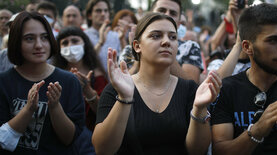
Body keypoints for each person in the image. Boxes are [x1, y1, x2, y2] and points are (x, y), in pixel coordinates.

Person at [92, 12, 221, 155]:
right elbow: (102, 150)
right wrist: (124, 99)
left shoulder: (190, 90)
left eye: (173, 37)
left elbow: (197, 150)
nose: (166, 42)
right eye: (156, 36)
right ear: (137, 46)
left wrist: (199, 108)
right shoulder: (115, 90)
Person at [211, 3, 277, 154]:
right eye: (273, 40)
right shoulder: (228, 89)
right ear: (247, 47)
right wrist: (256, 130)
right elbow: (220, 151)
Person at [0, 11, 85, 154]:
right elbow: (3, 140)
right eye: (29, 39)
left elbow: (69, 138)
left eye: (44, 37)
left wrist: (55, 107)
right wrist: (28, 109)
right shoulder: (4, 82)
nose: (39, 45)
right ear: (16, 42)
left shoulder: (69, 81)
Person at [119, 0, 204, 83]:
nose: (166, 15)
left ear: (178, 23)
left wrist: (168, 52)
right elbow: (121, 86)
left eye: (173, 13)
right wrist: (140, 53)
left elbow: (193, 89)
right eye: (161, 10)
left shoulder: (190, 47)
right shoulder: (130, 49)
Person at [53, 26, 108, 131]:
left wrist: (87, 90)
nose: (70, 46)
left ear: (85, 44)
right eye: (65, 43)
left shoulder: (97, 75)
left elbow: (105, 112)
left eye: (75, 41)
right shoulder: (55, 75)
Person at [84, 0, 121, 74]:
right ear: (89, 15)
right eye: (98, 11)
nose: (103, 14)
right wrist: (101, 42)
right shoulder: (83, 36)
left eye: (106, 10)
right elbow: (86, 62)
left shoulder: (116, 36)